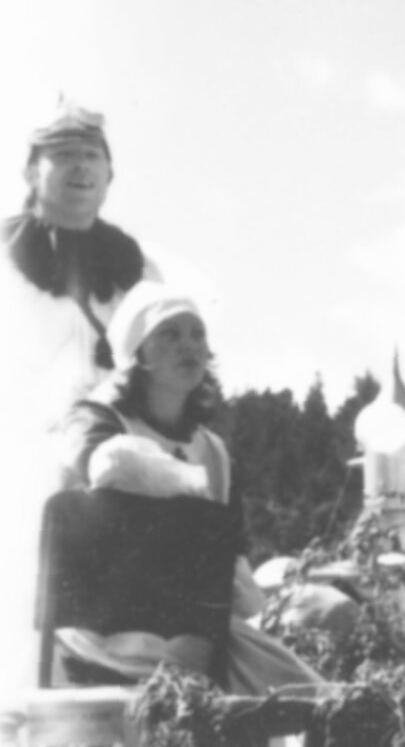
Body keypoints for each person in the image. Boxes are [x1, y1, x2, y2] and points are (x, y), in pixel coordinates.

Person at [52, 283, 323, 695]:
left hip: (194, 639)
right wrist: (189, 484)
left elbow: (229, 560)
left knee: (307, 695)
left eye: (197, 334)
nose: (189, 346)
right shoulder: (95, 419)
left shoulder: (212, 452)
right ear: (137, 351)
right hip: (105, 630)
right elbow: (107, 464)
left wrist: (266, 618)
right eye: (170, 334)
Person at [7, 99, 159, 437]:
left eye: (91, 156)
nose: (81, 166)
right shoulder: (6, 251)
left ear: (110, 173)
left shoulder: (136, 265)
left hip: (119, 439)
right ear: (31, 172)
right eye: (63, 155)